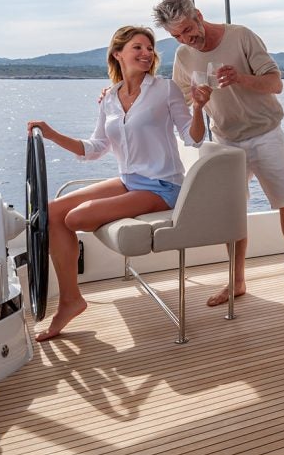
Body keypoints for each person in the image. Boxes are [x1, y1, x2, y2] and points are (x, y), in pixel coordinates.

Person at [27, 26, 208, 341]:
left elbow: (193, 138)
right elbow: (94, 149)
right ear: (117, 53)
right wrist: (51, 133)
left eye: (149, 48)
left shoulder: (165, 89)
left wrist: (199, 108)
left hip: (162, 186)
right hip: (128, 180)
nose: (146, 53)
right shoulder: (109, 97)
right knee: (54, 211)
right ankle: (71, 300)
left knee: (76, 217)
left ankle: (71, 300)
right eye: (137, 47)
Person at [152, 0, 284, 304]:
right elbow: (183, 100)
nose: (186, 39)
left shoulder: (241, 36)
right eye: (176, 36)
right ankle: (237, 280)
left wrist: (240, 78)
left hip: (266, 133)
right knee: (232, 212)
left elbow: (275, 83)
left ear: (199, 15)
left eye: (188, 30)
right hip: (226, 141)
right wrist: (198, 103)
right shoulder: (183, 56)